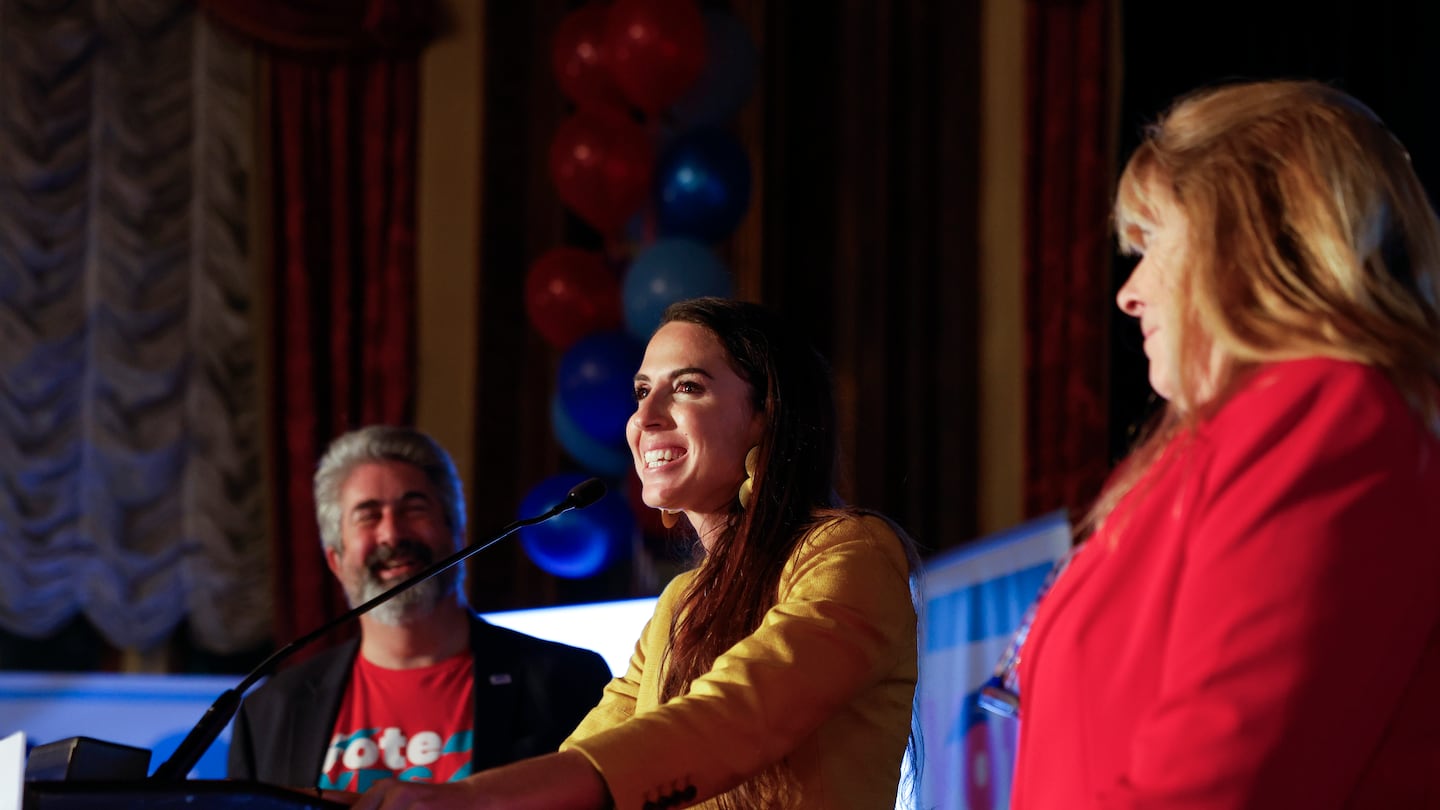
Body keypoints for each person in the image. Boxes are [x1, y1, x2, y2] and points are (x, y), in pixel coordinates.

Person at [1005, 79, 1440, 807]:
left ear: (1248, 237)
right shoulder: (1205, 449)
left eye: (1151, 247)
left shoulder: (1328, 413)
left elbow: (1217, 777)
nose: (1128, 291)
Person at [350, 297, 922, 809]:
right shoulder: (680, 601)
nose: (645, 419)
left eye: (688, 387)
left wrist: (477, 800)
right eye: (643, 391)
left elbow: (735, 718)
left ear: (764, 416)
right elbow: (593, 753)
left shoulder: (851, 554)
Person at [227, 426, 613, 793]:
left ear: (456, 533)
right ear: (335, 559)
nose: (392, 534)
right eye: (368, 515)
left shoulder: (568, 683)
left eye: (414, 508)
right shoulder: (270, 713)